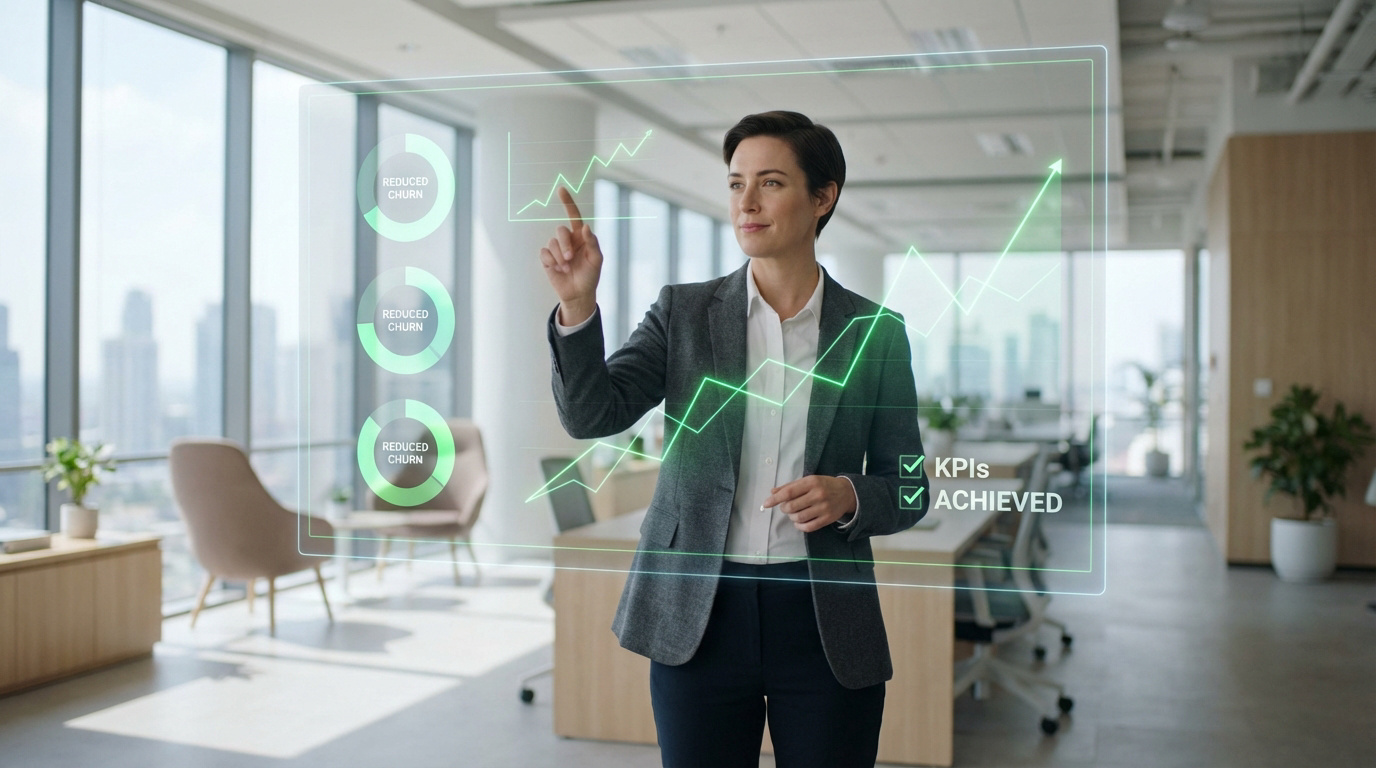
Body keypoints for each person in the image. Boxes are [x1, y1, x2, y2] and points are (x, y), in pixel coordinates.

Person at [540, 111, 928, 768]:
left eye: (770, 183)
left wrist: (848, 494)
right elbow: (592, 414)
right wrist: (578, 306)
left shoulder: (875, 332)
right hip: (701, 615)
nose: (745, 202)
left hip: (823, 616)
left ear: (823, 196)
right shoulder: (684, 313)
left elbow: (910, 484)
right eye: (735, 183)